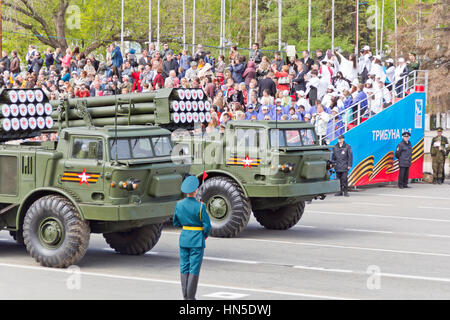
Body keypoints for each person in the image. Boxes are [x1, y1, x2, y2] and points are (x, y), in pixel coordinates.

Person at [173, 176, 211, 300]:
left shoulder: (179, 205)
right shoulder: (201, 207)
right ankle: (191, 297)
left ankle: (185, 296)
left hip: (184, 239)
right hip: (196, 240)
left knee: (184, 267)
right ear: (195, 191)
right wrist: (203, 236)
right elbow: (207, 227)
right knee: (194, 268)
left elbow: (176, 222)